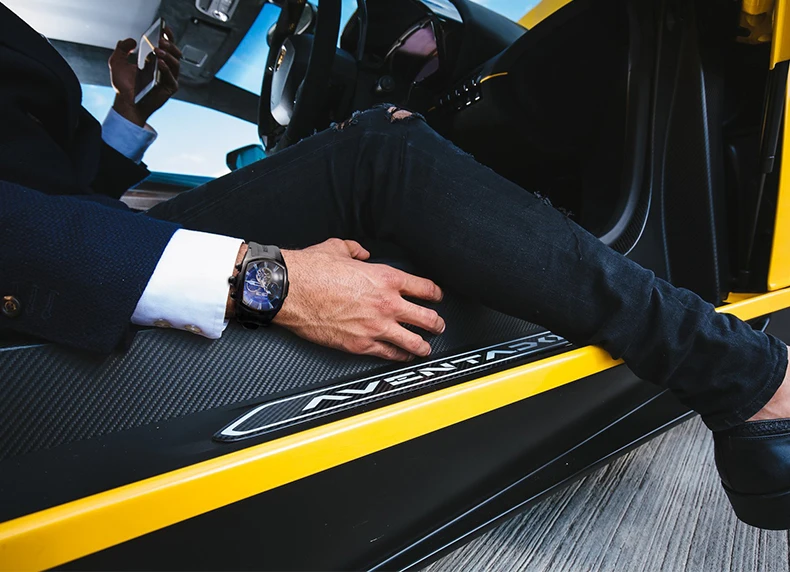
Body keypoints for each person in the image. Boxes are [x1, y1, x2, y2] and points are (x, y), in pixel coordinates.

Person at [1, 2, 789, 530]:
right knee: (380, 151)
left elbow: (65, 188)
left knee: (378, 148)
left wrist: (129, 114)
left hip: (68, 227)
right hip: (36, 259)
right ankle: (745, 376)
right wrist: (267, 279)